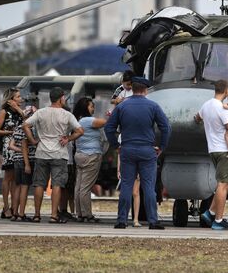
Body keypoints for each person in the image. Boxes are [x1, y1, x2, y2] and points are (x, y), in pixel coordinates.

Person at [105, 76, 171, 230]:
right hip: (147, 150)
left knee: (127, 186)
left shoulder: (122, 107)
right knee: (148, 187)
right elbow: (166, 128)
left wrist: (116, 146)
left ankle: (122, 220)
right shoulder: (153, 106)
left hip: (127, 149)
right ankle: (153, 221)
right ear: (146, 90)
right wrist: (161, 146)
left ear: (132, 89)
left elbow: (109, 128)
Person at [23, 87, 83, 224]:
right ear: (61, 98)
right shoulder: (67, 115)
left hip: (42, 153)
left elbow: (25, 125)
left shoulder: (40, 112)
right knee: (57, 185)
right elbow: (80, 130)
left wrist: (32, 140)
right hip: (59, 154)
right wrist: (68, 138)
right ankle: (54, 215)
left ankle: (37, 215)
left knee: (39, 184)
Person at [197, 80, 228, 230]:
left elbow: (197, 118)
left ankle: (210, 213)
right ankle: (218, 220)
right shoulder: (223, 109)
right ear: (226, 91)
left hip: (213, 150)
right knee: (223, 185)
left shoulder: (206, 105)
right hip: (225, 151)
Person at [0, 88, 25, 219]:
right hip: (9, 146)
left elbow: (27, 122)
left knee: (17, 178)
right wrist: (10, 133)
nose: (21, 99)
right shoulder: (4, 112)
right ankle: (6, 207)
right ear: (11, 100)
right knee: (8, 177)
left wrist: (19, 110)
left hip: (19, 145)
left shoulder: (20, 113)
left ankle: (14, 207)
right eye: (18, 97)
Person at [72, 97, 106, 223]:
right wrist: (113, 115)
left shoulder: (78, 120)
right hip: (91, 156)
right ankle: (87, 215)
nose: (93, 109)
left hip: (80, 155)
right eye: (91, 106)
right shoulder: (87, 120)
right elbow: (104, 122)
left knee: (79, 186)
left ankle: (80, 214)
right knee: (86, 187)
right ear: (85, 107)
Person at [8, 104, 38, 222]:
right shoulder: (29, 128)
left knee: (17, 187)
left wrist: (19, 151)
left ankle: (14, 212)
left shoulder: (18, 127)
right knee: (25, 187)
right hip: (27, 160)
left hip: (16, 160)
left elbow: (11, 145)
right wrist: (26, 163)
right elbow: (25, 144)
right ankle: (21, 214)